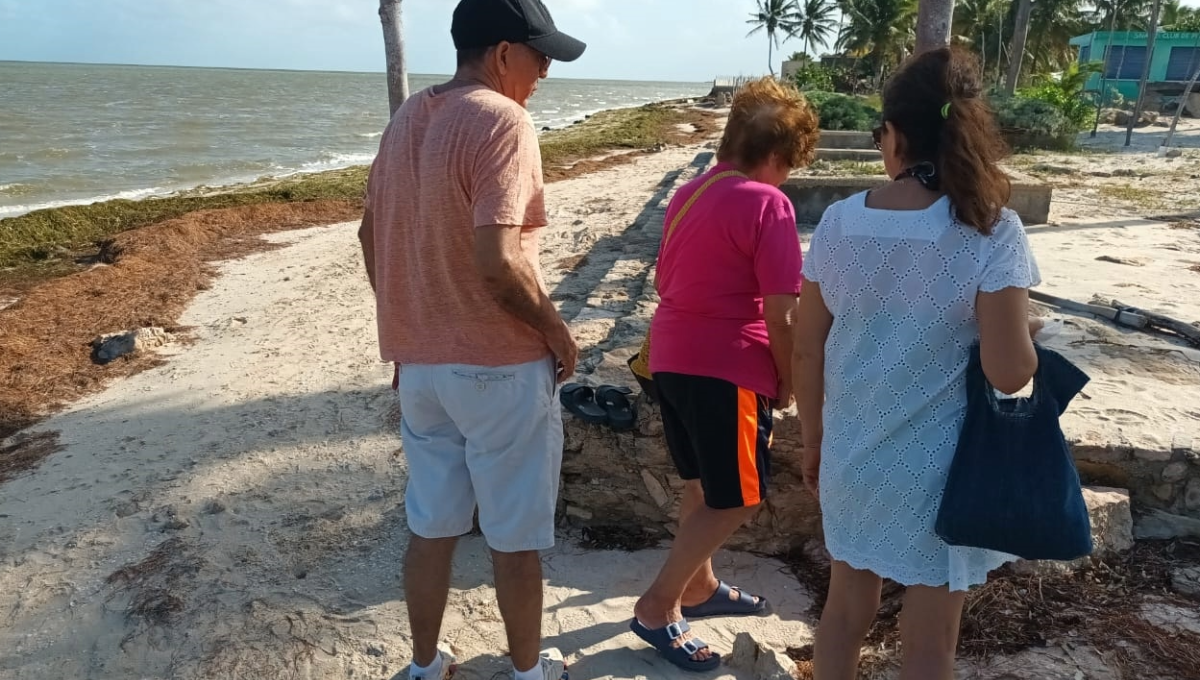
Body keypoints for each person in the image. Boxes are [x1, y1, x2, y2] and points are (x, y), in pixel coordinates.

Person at [793, 47, 1042, 680]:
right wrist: (1027, 332)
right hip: (938, 472)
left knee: (845, 611)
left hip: (851, 454)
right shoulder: (991, 229)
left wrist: (814, 439)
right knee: (930, 647)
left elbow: (806, 345)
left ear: (896, 133)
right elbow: (1010, 371)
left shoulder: (839, 223)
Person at [357, 1, 585, 679]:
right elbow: (498, 259)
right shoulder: (503, 119)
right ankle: (526, 671)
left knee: (431, 526)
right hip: (499, 366)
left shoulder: (405, 121)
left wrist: (410, 313)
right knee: (514, 539)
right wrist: (554, 329)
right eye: (540, 55)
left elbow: (370, 235)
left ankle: (426, 667)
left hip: (420, 366)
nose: (545, 71)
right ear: (502, 52)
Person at [629, 77, 819, 672]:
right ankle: (657, 607)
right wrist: (787, 379)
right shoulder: (769, 203)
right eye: (789, 165)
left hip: (671, 356)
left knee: (701, 483)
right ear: (775, 157)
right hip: (727, 363)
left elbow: (665, 279)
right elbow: (780, 312)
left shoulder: (689, 193)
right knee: (739, 497)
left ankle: (699, 587)